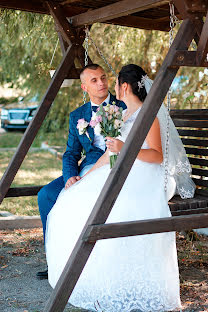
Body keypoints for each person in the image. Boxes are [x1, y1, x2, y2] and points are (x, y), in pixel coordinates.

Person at [45, 64, 195, 311]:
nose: (111, 87)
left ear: (123, 86)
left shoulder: (150, 115)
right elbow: (108, 152)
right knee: (71, 200)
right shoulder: (122, 115)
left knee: (112, 207)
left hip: (148, 174)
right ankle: (88, 274)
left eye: (113, 82)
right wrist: (87, 176)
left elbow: (157, 156)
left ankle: (118, 273)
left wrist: (124, 148)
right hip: (123, 170)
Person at [36, 64, 126, 279]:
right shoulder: (78, 115)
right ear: (84, 87)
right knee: (46, 195)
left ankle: (92, 263)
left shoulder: (123, 106)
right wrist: (69, 177)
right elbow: (70, 153)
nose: (101, 83)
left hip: (116, 167)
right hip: (86, 169)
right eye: (94, 80)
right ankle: (56, 261)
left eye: (103, 77)